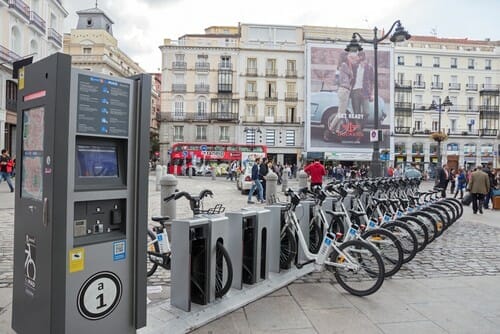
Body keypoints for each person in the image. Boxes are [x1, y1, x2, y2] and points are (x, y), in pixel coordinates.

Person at [325, 51, 354, 141]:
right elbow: (351, 75)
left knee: (342, 113)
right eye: (347, 55)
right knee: (340, 113)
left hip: (343, 90)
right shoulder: (344, 65)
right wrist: (349, 63)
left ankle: (337, 131)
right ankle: (329, 130)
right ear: (344, 57)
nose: (348, 57)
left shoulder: (340, 66)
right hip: (344, 90)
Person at [351, 51, 374, 123]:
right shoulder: (354, 66)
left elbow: (372, 81)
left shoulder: (369, 67)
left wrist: (372, 93)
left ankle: (362, 126)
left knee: (366, 112)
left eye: (359, 57)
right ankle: (358, 128)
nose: (358, 58)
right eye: (358, 57)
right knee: (356, 113)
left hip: (365, 91)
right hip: (355, 91)